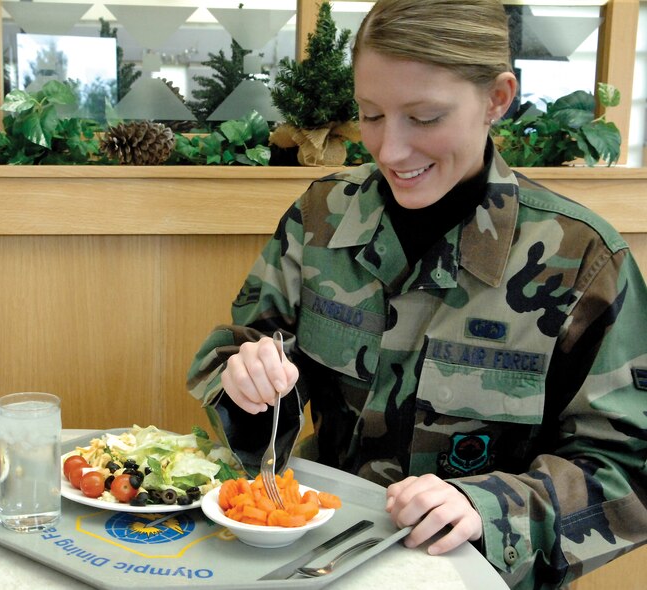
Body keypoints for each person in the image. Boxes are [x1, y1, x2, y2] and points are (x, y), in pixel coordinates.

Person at [186, 0, 647, 587]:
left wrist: (490, 509)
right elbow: (251, 347)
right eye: (371, 114)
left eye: (424, 117)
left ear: (497, 99)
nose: (390, 150)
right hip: (314, 556)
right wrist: (245, 383)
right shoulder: (321, 216)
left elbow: (630, 468)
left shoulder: (581, 259)